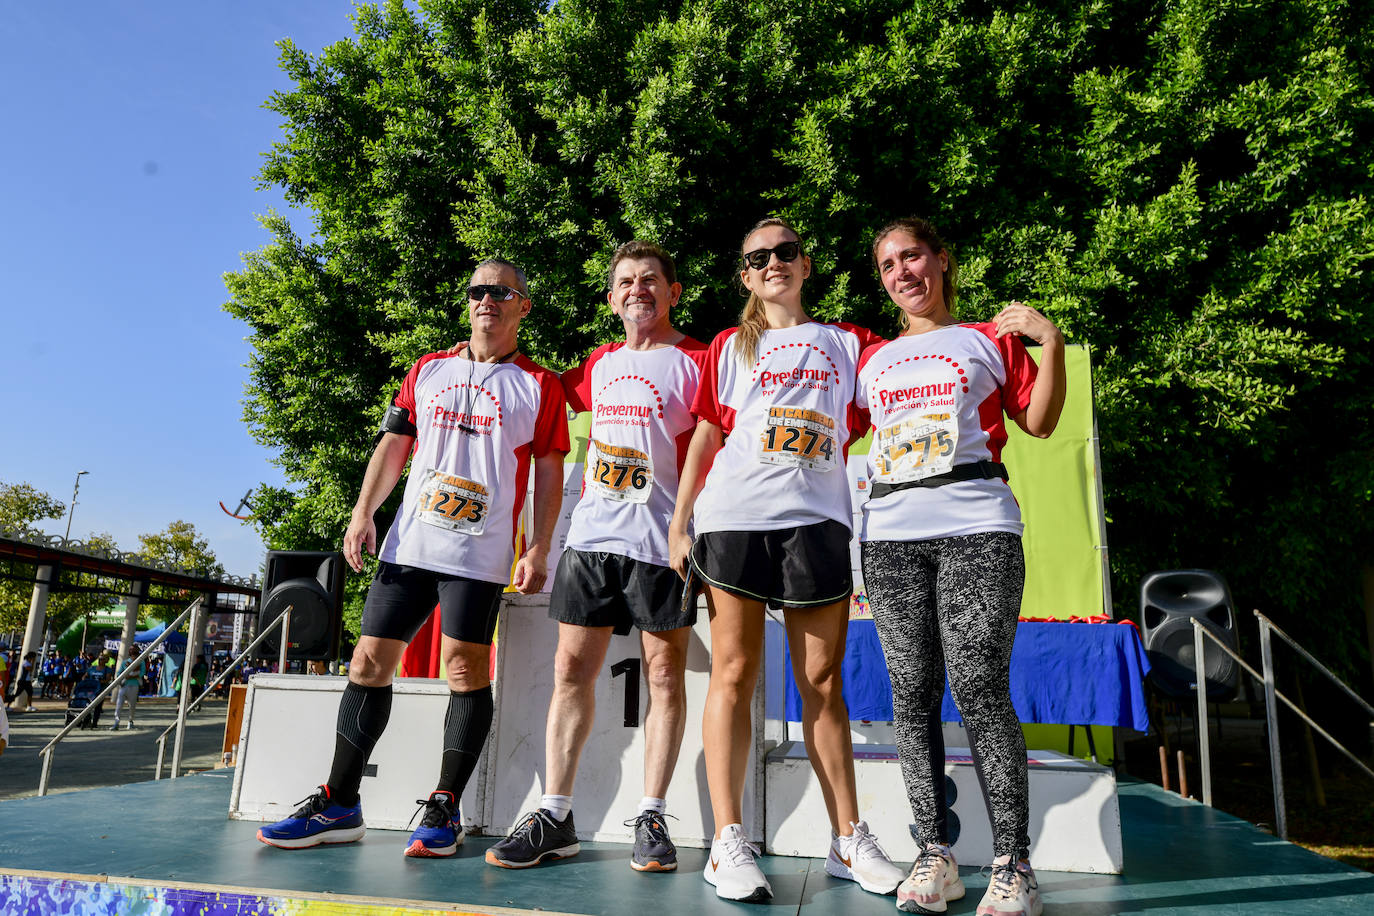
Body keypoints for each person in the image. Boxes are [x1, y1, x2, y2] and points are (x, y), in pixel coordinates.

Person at [257, 258, 569, 857]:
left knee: (463, 671)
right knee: (368, 662)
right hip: (409, 545)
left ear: (522, 306)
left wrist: (537, 544)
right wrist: (361, 510)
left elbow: (549, 474)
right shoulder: (427, 369)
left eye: (502, 292)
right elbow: (394, 444)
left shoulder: (540, 384)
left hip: (479, 555)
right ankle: (341, 803)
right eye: (477, 290)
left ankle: (444, 807)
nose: (487, 300)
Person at [668, 218, 904, 902]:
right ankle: (727, 841)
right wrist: (680, 525)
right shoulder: (726, 346)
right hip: (734, 518)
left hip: (818, 523)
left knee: (822, 682)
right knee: (733, 675)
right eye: (759, 257)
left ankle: (847, 839)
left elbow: (907, 389)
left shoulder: (850, 343)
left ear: (807, 264)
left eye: (786, 252)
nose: (775, 262)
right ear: (746, 275)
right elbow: (708, 436)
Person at [856, 218, 1065, 916]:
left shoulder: (988, 340)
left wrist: (1053, 344)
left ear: (941, 261)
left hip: (977, 525)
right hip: (888, 535)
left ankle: (1013, 865)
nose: (902, 272)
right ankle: (934, 856)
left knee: (979, 686)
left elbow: (1038, 423)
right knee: (910, 694)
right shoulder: (872, 360)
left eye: (912, 256)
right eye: (888, 265)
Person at [485, 241, 708, 872]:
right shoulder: (600, 364)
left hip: (662, 545)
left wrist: (692, 531)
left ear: (673, 292)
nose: (637, 290)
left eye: (649, 281)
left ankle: (652, 815)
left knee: (664, 677)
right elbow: (533, 394)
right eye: (626, 283)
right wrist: (482, 348)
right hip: (590, 543)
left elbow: (712, 450)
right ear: (612, 299)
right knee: (569, 674)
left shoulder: (697, 361)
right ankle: (555, 815)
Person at [110, 654, 145, 730]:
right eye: (132, 652)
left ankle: (130, 721)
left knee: (132, 705)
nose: (134, 655)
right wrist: (124, 677)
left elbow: (142, 673)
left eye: (135, 652)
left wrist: (131, 676)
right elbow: (119, 673)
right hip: (124, 686)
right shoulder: (124, 662)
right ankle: (116, 722)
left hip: (134, 686)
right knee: (119, 705)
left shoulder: (141, 662)